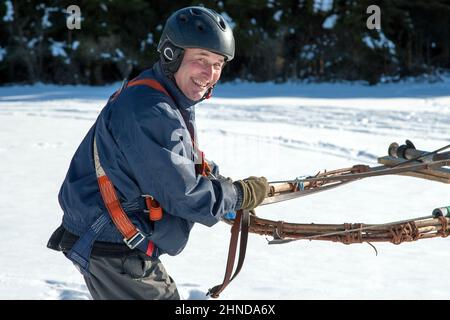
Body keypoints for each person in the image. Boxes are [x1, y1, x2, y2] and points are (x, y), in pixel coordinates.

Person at [47, 6, 269, 300]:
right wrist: (238, 194)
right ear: (171, 56)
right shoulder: (150, 110)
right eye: (200, 60)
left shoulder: (164, 97)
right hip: (113, 247)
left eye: (218, 63)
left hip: (112, 241)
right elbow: (183, 194)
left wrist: (224, 187)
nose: (210, 73)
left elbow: (182, 161)